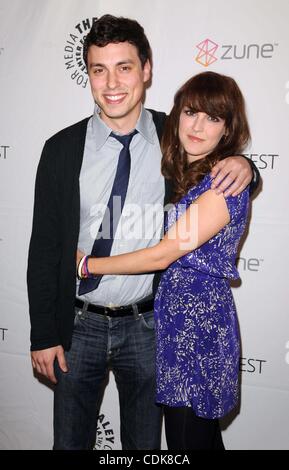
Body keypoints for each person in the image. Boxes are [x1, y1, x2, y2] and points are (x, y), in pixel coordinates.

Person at [27, 15, 259, 450]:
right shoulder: (60, 149)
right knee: (70, 443)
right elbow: (42, 248)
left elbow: (217, 154)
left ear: (147, 70)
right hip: (78, 325)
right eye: (99, 69)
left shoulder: (172, 133)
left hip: (150, 326)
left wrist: (248, 166)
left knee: (146, 448)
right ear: (89, 76)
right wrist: (43, 333)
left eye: (125, 67)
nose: (112, 82)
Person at [77, 70, 252, 450]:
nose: (198, 126)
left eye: (214, 118)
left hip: (198, 328)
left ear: (227, 129)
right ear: (177, 116)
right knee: (194, 440)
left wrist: (88, 265)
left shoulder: (221, 183)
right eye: (191, 113)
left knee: (188, 441)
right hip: (176, 325)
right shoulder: (193, 174)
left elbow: (164, 253)